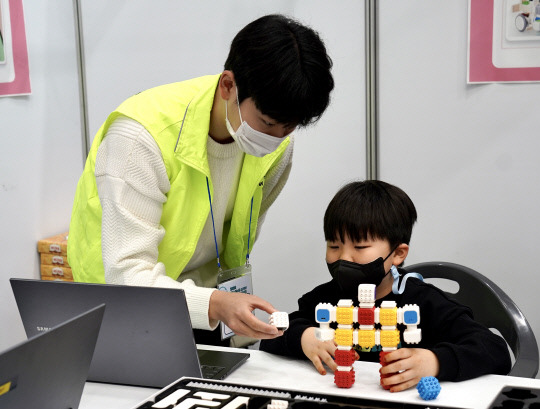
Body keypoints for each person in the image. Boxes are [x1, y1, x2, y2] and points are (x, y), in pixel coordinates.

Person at [67, 14, 334, 347]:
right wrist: (215, 304)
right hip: (120, 309)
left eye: (289, 127)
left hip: (203, 308)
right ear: (228, 86)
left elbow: (236, 246)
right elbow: (126, 273)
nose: (275, 139)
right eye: (266, 123)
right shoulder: (141, 139)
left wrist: (233, 329)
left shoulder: (277, 146)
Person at [260, 180, 511, 392]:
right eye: (334, 246)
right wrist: (305, 338)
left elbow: (495, 350)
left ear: (398, 253)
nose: (344, 258)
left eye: (359, 247)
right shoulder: (323, 299)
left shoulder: (424, 302)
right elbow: (273, 337)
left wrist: (435, 362)